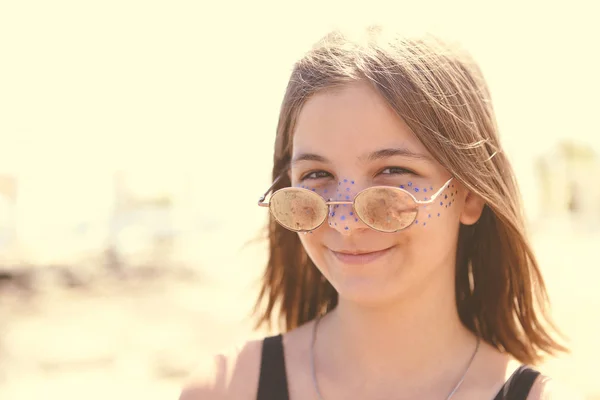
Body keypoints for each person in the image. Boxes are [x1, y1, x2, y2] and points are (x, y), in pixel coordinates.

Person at [180, 25, 579, 399]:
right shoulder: (226, 390)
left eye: (393, 172)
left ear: (470, 195)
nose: (344, 221)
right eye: (317, 174)